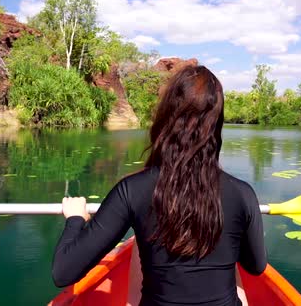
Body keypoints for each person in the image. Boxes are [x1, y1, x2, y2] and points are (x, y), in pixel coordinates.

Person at [52, 65, 267, 306]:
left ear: (166, 116)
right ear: (216, 125)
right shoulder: (242, 193)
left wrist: (75, 219)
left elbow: (63, 272)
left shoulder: (131, 191)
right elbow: (256, 266)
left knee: (139, 247)